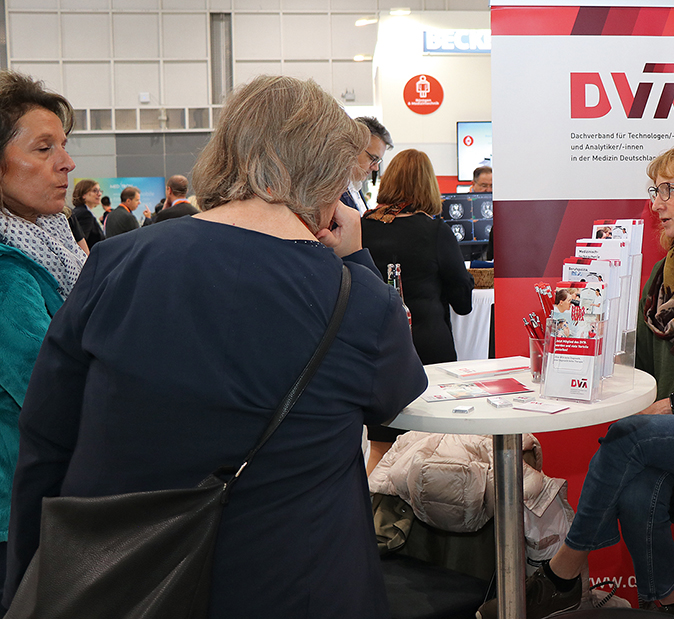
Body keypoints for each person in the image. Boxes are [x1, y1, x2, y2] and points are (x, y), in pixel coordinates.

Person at [4, 75, 427, 618]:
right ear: (325, 176)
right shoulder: (357, 299)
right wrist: (356, 259)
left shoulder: (117, 262)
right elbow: (398, 395)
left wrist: (27, 584)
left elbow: (47, 438)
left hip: (125, 578)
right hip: (299, 579)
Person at [478, 141, 674, 619]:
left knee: (628, 438)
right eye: (655, 189)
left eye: (669, 189)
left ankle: (564, 570)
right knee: (636, 485)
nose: (656, 202)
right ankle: (667, 604)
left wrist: (669, 408)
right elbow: (641, 374)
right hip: (670, 436)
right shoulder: (662, 280)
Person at [0, 69, 83, 593]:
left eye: (65, 146)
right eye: (44, 147)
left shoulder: (44, 246)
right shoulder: (9, 275)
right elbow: (48, 393)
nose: (67, 162)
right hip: (14, 508)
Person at [360, 148, 474, 472]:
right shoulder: (436, 231)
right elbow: (463, 304)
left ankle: (376, 521)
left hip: (376, 351)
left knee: (380, 450)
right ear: (428, 186)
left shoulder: (361, 226)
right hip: (428, 352)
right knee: (433, 447)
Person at [340, 116, 392, 214]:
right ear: (353, 147)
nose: (376, 168)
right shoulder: (332, 191)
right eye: (373, 159)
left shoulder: (355, 188)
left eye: (378, 161)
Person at [71, 179, 105, 249]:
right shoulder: (85, 214)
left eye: (99, 191)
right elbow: (81, 243)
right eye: (95, 191)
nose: (99, 194)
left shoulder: (79, 211)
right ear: (83, 195)